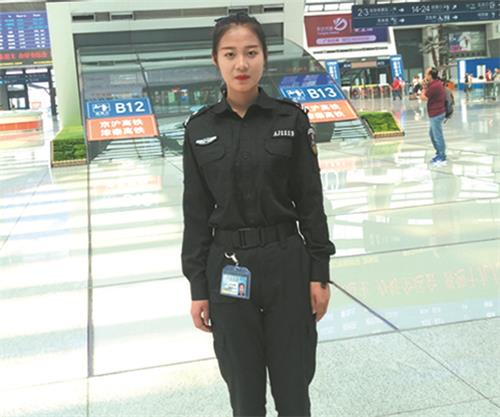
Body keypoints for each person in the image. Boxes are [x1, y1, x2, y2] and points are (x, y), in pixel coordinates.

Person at [181, 12, 335, 417]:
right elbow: (195, 214)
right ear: (216, 60)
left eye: (251, 52)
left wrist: (319, 273)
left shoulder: (291, 119)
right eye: (230, 54)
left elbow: (311, 201)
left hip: (287, 265)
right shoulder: (199, 128)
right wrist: (198, 286)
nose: (241, 64)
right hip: (228, 269)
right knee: (244, 396)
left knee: (293, 392)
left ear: (264, 57)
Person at [421, 67, 447, 166]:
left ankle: (441, 155)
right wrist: (426, 85)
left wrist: (424, 88)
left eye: (426, 73)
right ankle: (439, 151)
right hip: (435, 112)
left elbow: (423, 97)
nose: (425, 75)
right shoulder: (435, 83)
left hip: (437, 113)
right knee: (432, 134)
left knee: (437, 135)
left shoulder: (435, 86)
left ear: (430, 75)